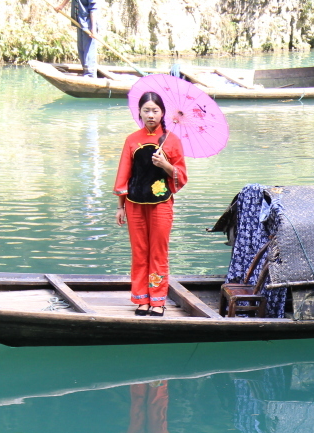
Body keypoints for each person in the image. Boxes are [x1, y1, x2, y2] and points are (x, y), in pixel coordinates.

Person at [114, 92, 187, 316]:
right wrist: (120, 206)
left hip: (161, 204)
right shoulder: (132, 140)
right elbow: (124, 174)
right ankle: (141, 299)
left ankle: (157, 300)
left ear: (162, 113)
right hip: (134, 203)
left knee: (158, 252)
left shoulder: (172, 141)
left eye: (155, 110)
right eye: (146, 110)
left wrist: (165, 164)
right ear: (139, 112)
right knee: (139, 251)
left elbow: (181, 175)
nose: (151, 115)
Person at [56, 0, 100, 78]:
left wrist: (93, 29)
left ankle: (90, 75)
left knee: (89, 51)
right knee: (81, 49)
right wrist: (61, 6)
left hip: (88, 25)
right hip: (80, 22)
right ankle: (85, 71)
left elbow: (93, 9)